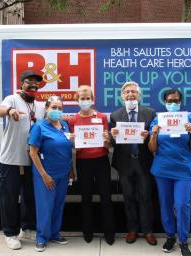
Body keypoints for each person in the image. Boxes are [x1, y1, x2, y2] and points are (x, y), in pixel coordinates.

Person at [0, 70, 45, 250]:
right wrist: (10, 111)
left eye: (36, 82)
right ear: (22, 83)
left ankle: (28, 227)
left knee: (29, 196)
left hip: (31, 159)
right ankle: (10, 233)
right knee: (9, 197)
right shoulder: (12, 99)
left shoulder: (40, 107)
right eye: (29, 81)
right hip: (10, 159)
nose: (33, 84)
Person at [148, 89, 191, 256]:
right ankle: (170, 236)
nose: (173, 104)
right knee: (166, 205)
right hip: (163, 170)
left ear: (180, 103)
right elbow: (152, 148)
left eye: (176, 101)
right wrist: (154, 135)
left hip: (183, 170)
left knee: (182, 205)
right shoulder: (157, 120)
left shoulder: (190, 121)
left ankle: (183, 240)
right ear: (165, 103)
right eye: (169, 101)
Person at [110, 81, 157, 246]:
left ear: (139, 95)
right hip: (125, 163)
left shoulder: (150, 113)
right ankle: (132, 230)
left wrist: (149, 136)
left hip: (144, 162)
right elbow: (111, 142)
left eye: (133, 92)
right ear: (122, 96)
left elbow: (155, 138)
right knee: (128, 197)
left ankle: (148, 230)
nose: (130, 94)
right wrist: (112, 135)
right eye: (127, 92)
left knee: (145, 197)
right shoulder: (115, 115)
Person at [67, 85, 115, 245]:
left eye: (88, 98)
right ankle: (87, 232)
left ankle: (109, 232)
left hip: (101, 160)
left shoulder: (101, 117)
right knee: (86, 198)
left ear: (93, 99)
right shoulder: (72, 120)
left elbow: (107, 144)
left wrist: (107, 139)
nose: (85, 100)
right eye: (82, 98)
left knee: (106, 197)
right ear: (77, 100)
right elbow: (73, 146)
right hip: (83, 162)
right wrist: (73, 141)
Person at [28, 96, 73, 252]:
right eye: (54, 107)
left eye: (60, 108)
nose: (57, 111)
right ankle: (41, 237)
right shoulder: (39, 127)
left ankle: (54, 233)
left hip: (63, 174)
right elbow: (33, 153)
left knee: (58, 205)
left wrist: (71, 170)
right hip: (46, 175)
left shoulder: (65, 126)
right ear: (46, 108)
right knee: (44, 206)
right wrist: (44, 175)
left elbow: (68, 150)